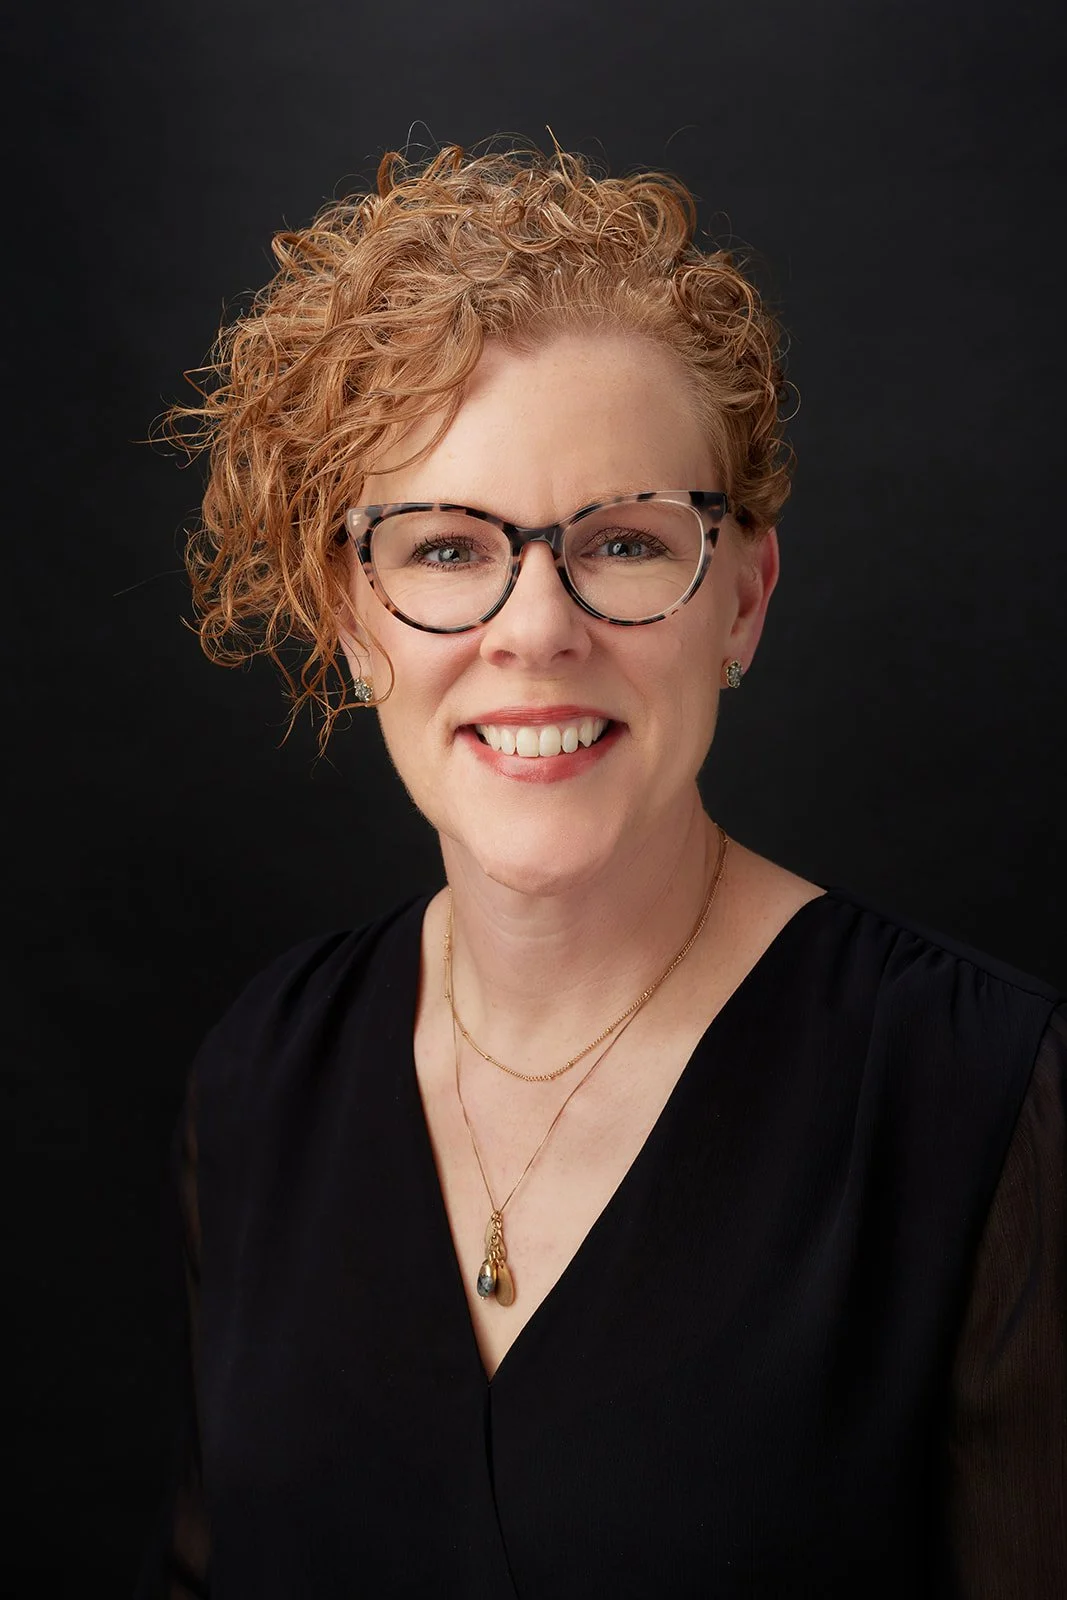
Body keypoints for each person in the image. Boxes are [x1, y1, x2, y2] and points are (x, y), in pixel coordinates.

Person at [141, 144, 1065, 1598]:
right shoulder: (261, 1074)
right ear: (349, 616)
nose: (536, 630)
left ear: (743, 602)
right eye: (446, 549)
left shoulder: (983, 1098)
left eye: (623, 543)